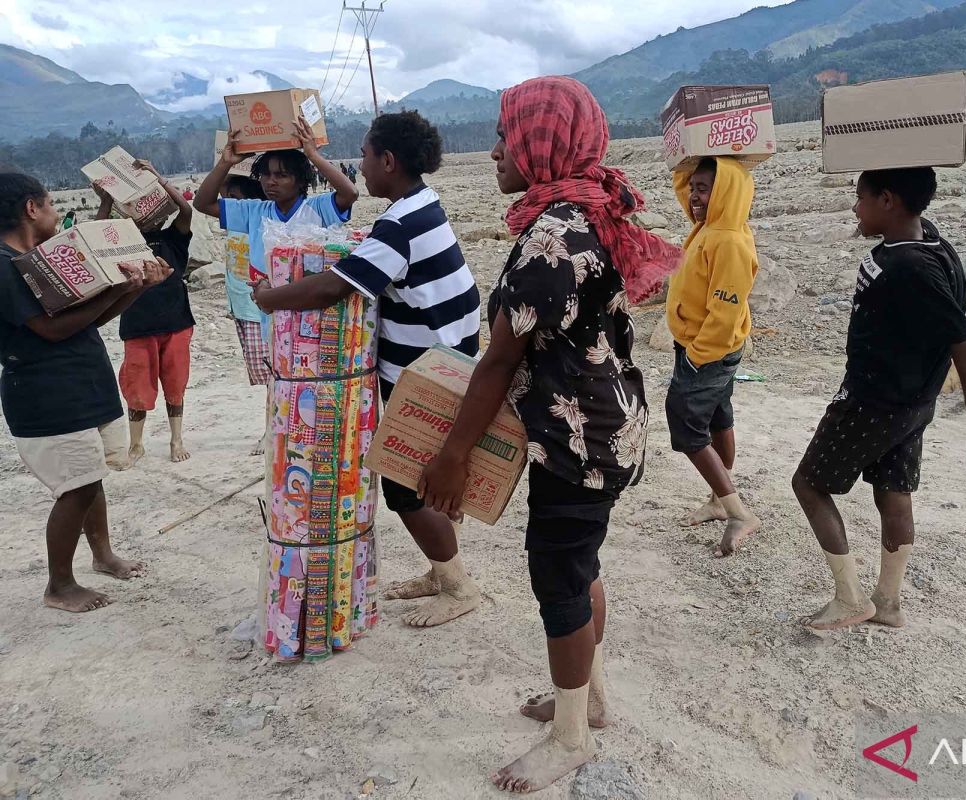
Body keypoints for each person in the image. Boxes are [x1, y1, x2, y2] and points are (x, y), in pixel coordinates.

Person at [420, 76, 679, 794]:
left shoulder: (552, 237)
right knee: (581, 565)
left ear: (544, 142)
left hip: (576, 438)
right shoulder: (589, 210)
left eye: (509, 136)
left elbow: (500, 358)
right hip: (609, 423)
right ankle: (587, 699)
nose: (497, 151)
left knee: (558, 578)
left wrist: (452, 454)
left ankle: (571, 738)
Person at [251, 111, 484, 629]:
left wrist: (270, 299)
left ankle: (458, 586)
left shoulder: (397, 224)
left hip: (425, 373)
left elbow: (335, 287)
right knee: (424, 477)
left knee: (406, 485)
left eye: (362, 155)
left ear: (387, 161)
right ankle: (440, 568)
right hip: (452, 357)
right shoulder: (422, 205)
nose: (359, 165)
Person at [791, 167, 966, 630]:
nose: (855, 208)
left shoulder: (911, 266)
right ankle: (889, 601)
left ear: (889, 200)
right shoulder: (926, 241)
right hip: (911, 403)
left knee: (809, 485)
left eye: (861, 197)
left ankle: (850, 598)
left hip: (874, 399)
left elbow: (961, 335)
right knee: (893, 491)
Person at [0, 173, 169, 612]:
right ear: (31, 209)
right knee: (75, 487)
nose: (56, 211)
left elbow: (86, 320)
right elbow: (51, 330)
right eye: (51, 203)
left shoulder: (34, 258)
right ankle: (59, 585)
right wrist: (117, 286)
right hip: (46, 392)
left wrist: (133, 287)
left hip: (79, 380)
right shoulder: (5, 267)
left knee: (91, 477)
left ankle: (102, 554)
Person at [194, 118, 358, 451]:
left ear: (300, 181)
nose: (272, 181)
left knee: (316, 377)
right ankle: (279, 433)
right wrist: (226, 163)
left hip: (314, 311)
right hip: (271, 314)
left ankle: (318, 436)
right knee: (279, 375)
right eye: (267, 174)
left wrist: (313, 154)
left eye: (282, 174)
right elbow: (203, 203)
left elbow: (349, 192)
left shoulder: (316, 208)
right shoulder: (255, 211)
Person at [666, 156, 761, 557]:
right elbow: (683, 185)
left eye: (705, 189)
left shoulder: (730, 241)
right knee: (719, 416)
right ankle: (719, 501)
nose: (695, 196)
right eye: (695, 187)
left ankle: (739, 511)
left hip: (707, 351)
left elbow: (725, 311)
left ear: (725, 192)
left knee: (686, 426)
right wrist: (684, 164)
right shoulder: (706, 229)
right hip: (702, 348)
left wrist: (697, 357)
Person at [95, 160, 195, 465]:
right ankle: (136, 444)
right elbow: (98, 233)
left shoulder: (171, 239)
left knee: (175, 383)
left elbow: (186, 211)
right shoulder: (124, 244)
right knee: (138, 386)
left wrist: (158, 177)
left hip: (176, 322)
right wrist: (106, 200)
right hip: (137, 326)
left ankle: (176, 438)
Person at [219, 175, 273, 452]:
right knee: (267, 377)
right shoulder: (234, 224)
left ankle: (271, 432)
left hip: (256, 309)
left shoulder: (258, 224)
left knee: (272, 377)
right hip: (241, 307)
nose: (230, 205)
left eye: (235, 198)